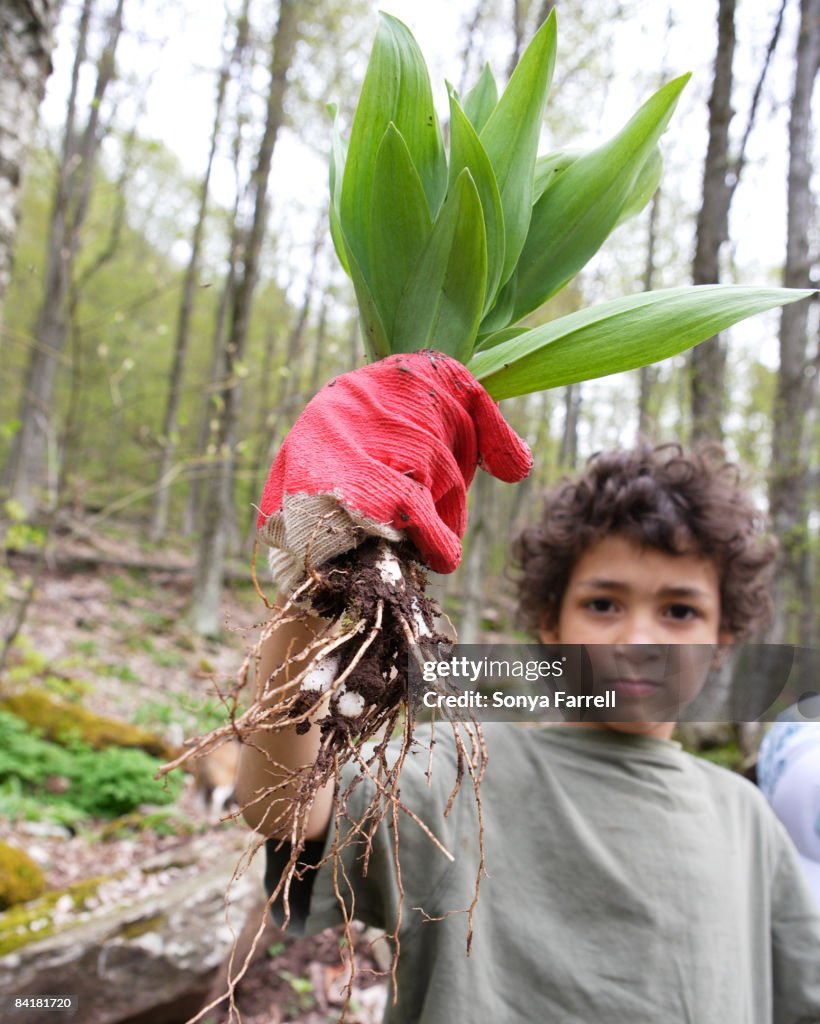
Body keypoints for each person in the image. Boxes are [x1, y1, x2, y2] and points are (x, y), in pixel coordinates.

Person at [236, 353, 820, 1023]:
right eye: (603, 604)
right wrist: (318, 574)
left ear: (722, 646)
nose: (638, 639)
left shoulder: (748, 821)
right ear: (548, 622)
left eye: (680, 612)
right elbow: (286, 809)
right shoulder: (457, 772)